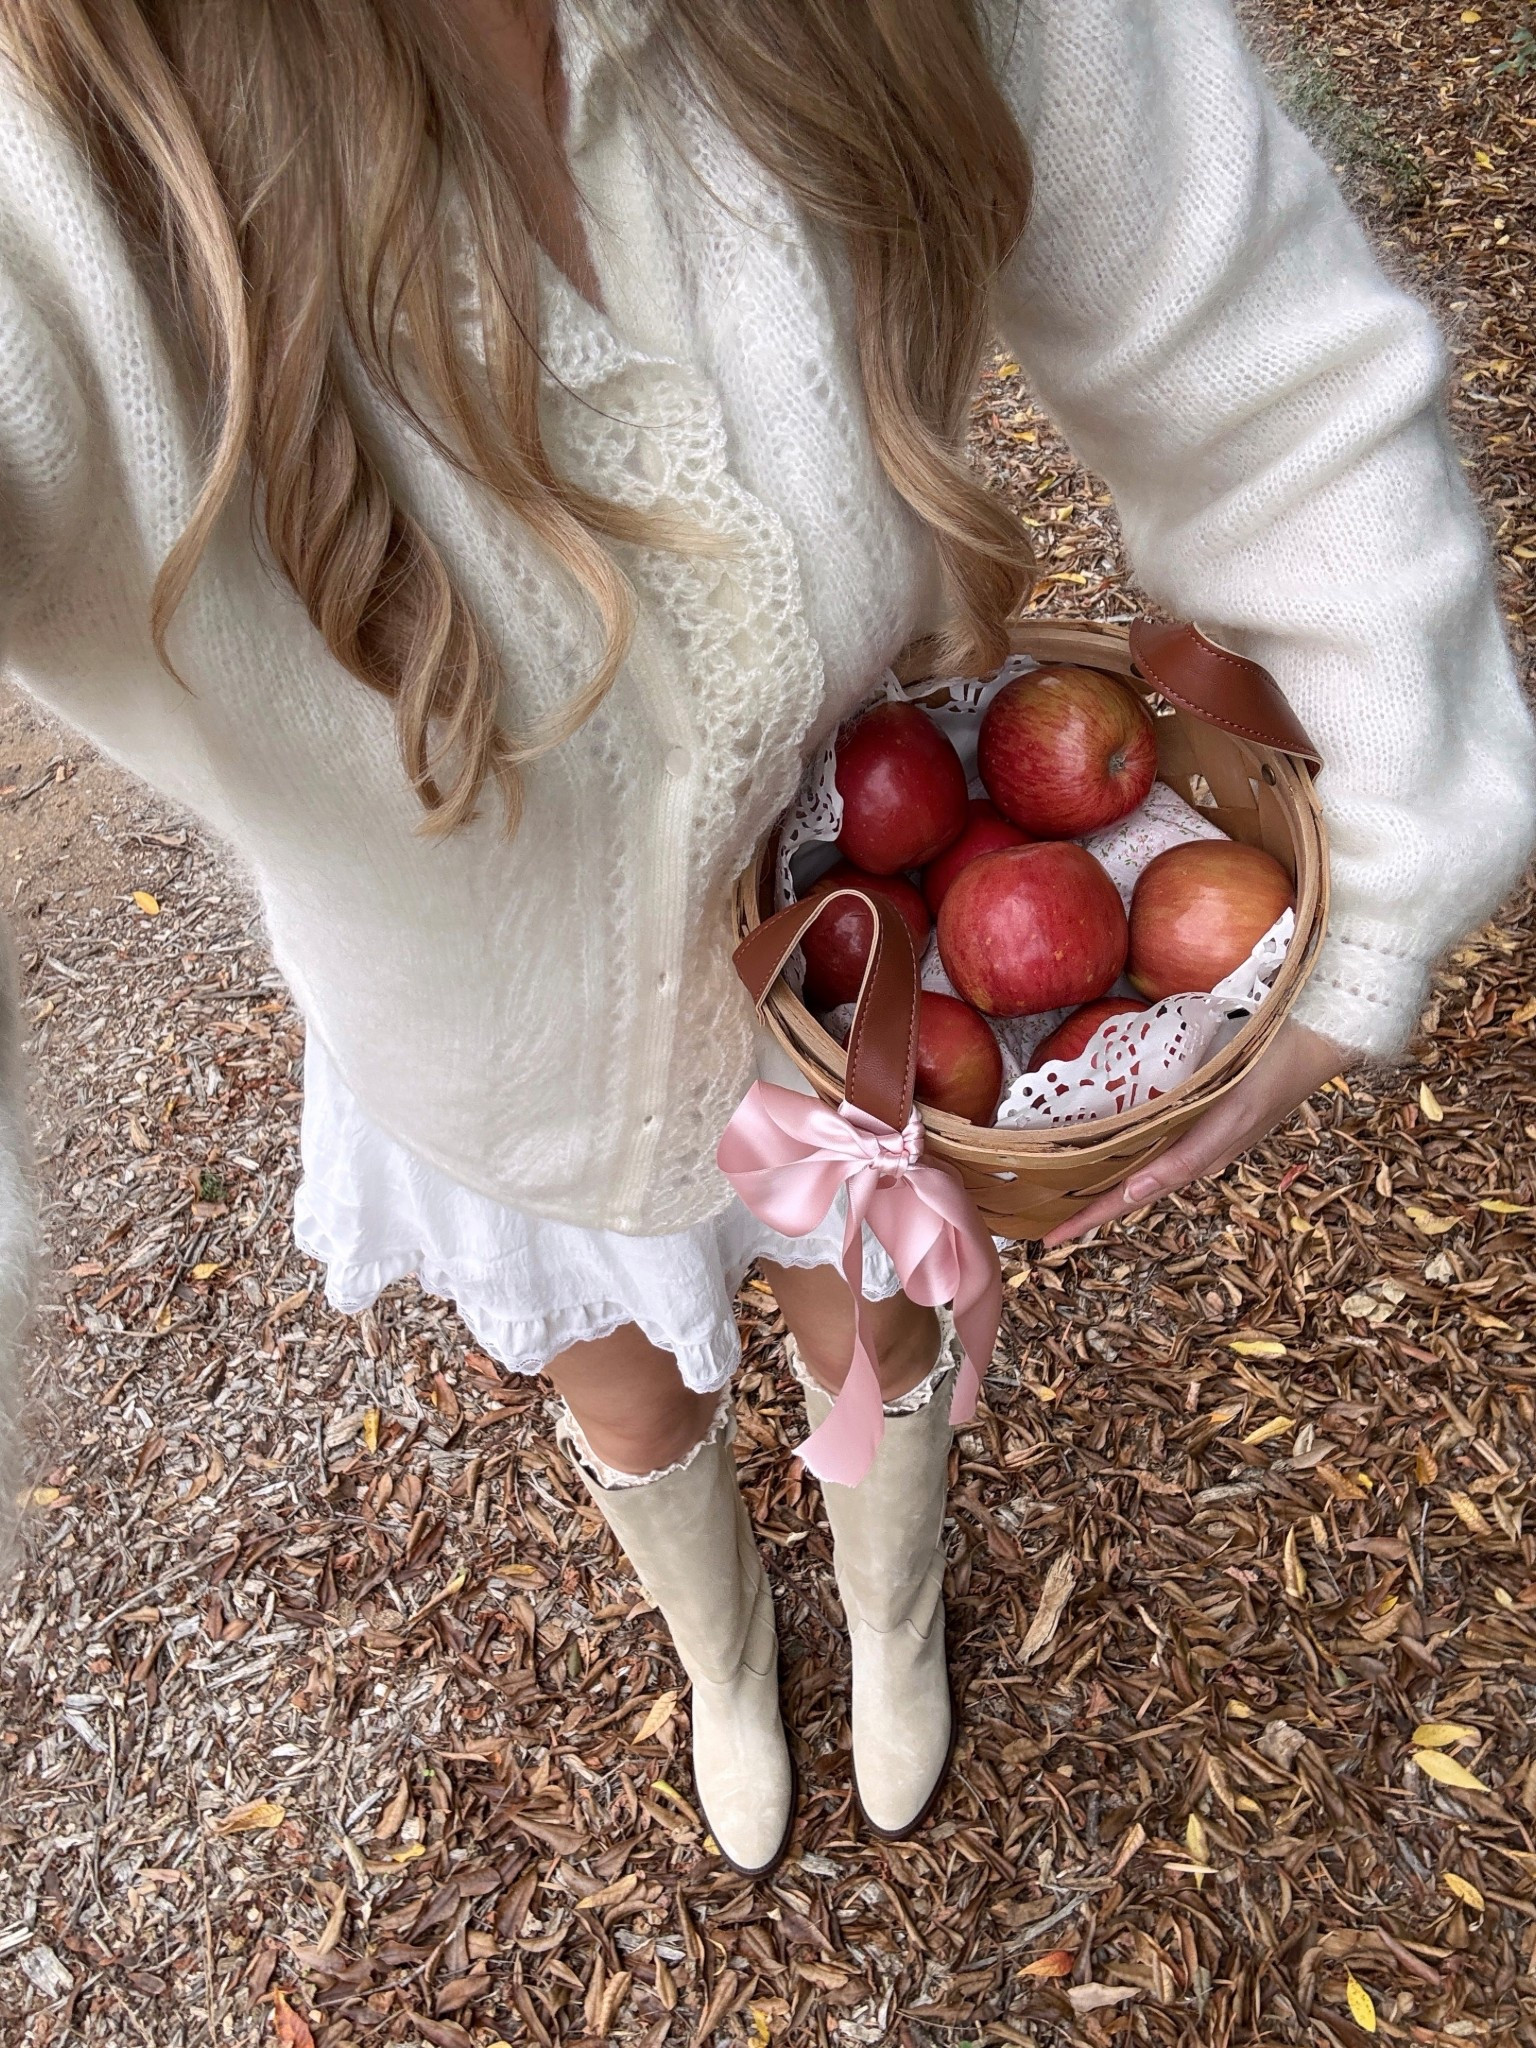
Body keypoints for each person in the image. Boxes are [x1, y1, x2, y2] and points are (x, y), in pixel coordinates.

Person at [0, 0, 1531, 1879]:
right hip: (506, 1069)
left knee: (869, 1331)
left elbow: (1251, 341)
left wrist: (1386, 829)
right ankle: (726, 1658)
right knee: (633, 1392)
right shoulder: (60, 154)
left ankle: (892, 1614)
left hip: (866, 1007)